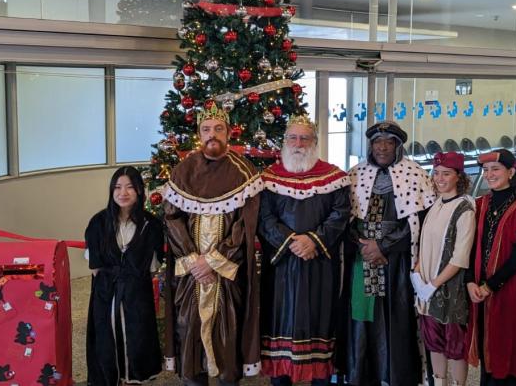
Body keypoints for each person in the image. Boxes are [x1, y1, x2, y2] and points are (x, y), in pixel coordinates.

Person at [162, 104, 264, 386]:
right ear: (199, 133)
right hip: (191, 273)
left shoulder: (245, 172)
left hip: (227, 274)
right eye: (206, 130)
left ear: (228, 133)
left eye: (218, 129)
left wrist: (214, 261)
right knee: (189, 331)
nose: (212, 135)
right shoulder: (182, 171)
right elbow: (172, 218)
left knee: (227, 336)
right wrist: (195, 260)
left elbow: (245, 224)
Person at [258, 114, 351, 386]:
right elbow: (264, 219)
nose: (298, 143)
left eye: (304, 138)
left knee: (319, 324)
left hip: (319, 264)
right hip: (282, 267)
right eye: (293, 138)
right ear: (285, 141)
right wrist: (291, 242)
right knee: (279, 327)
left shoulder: (334, 177)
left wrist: (313, 241)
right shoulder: (268, 179)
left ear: (314, 142)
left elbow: (340, 214)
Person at [343, 121, 437, 386]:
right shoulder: (356, 174)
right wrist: (365, 246)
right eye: (377, 142)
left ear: (398, 146)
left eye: (388, 142)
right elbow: (347, 217)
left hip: (396, 260)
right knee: (364, 318)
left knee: (395, 317)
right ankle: (363, 373)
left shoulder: (415, 174)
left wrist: (382, 247)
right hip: (363, 258)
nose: (382, 147)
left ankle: (395, 375)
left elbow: (418, 221)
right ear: (370, 146)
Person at [465, 149, 516, 386]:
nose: (489, 174)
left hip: (510, 290)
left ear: (511, 171)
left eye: (495, 169)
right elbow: (472, 246)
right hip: (482, 290)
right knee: (489, 346)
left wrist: (491, 285)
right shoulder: (481, 204)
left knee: (510, 347)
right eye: (485, 170)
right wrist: (471, 282)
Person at [85, 166, 164, 385]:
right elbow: (95, 267)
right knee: (105, 339)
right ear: (111, 191)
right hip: (106, 292)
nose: (123, 193)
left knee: (138, 340)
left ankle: (135, 377)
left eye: (130, 187)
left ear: (139, 190)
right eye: (118, 187)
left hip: (137, 293)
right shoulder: (98, 223)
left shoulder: (152, 225)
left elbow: (153, 266)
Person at [414, 152, 476, 386]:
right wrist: (419, 273)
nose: (439, 178)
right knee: (434, 342)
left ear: (458, 176)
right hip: (427, 288)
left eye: (446, 174)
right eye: (436, 173)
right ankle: (439, 383)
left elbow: (460, 257)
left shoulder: (464, 209)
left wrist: (434, 284)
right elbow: (425, 243)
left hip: (449, 288)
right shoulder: (435, 203)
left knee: (455, 346)